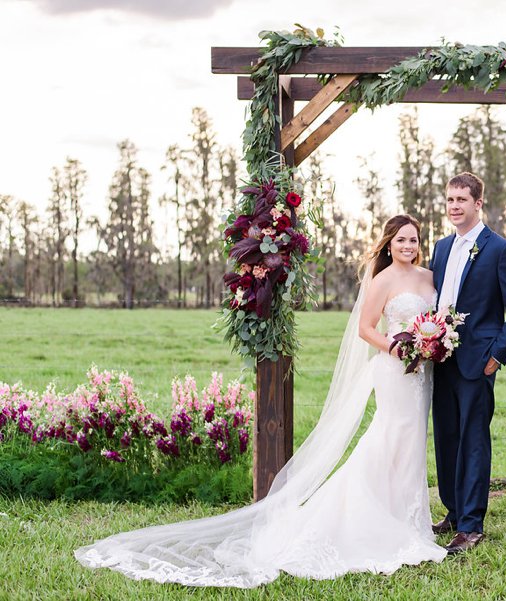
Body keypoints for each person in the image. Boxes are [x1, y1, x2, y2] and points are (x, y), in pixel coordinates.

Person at [74, 215, 447, 587]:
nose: (408, 246)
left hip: (422, 373)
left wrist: (433, 342)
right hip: (394, 371)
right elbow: (367, 329)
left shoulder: (428, 277)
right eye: (401, 240)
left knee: (413, 442)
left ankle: (409, 519)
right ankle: (373, 517)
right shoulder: (381, 281)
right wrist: (397, 347)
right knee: (389, 437)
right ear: (388, 243)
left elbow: (435, 319)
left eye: (413, 240)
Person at [430, 172, 506, 554]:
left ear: (477, 203)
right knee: (446, 439)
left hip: (478, 362)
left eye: (461, 199)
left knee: (473, 441)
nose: (454, 206)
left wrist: (497, 356)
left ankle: (472, 526)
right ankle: (454, 513)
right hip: (440, 359)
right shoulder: (440, 248)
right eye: (450, 199)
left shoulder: (499, 249)